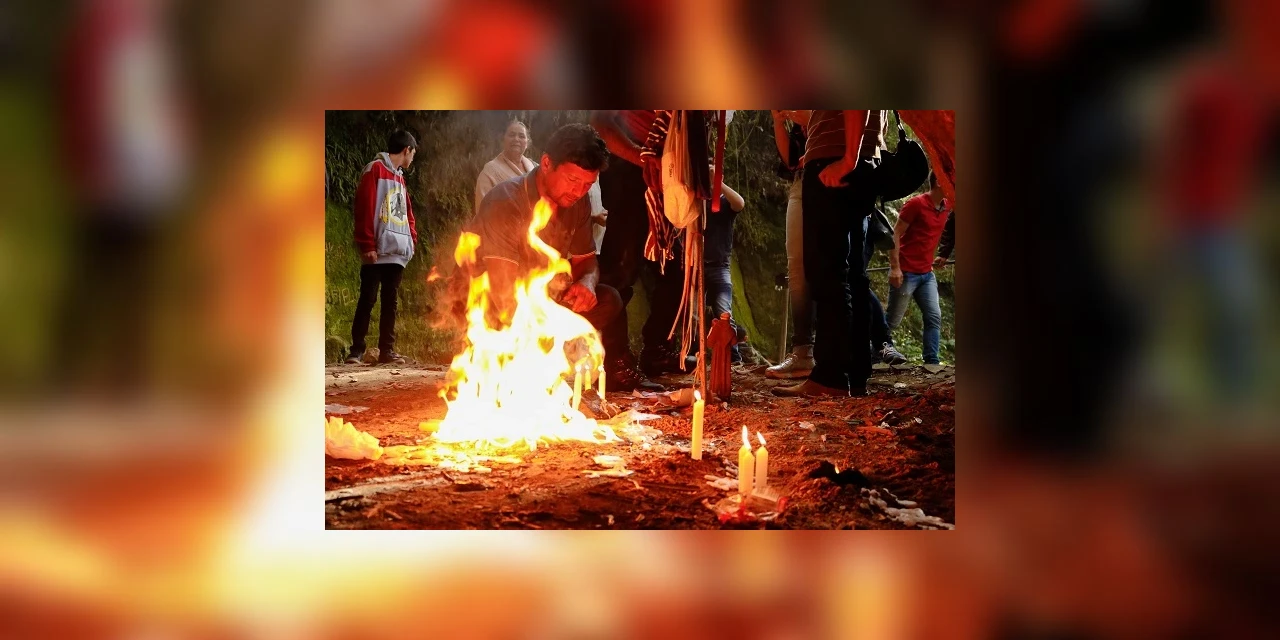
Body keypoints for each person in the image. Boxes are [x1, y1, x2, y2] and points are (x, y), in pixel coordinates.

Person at [464, 123, 660, 391]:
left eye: (587, 184)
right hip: (494, 304)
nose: (579, 191)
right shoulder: (506, 202)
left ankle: (612, 367)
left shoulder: (577, 204)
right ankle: (507, 370)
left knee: (608, 299)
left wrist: (587, 284)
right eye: (572, 180)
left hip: (544, 303)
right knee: (502, 317)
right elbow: (504, 293)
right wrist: (546, 323)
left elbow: (587, 262)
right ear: (546, 163)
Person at [773, 110, 885, 397]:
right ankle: (855, 374)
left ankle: (830, 376)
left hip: (835, 158)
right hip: (860, 157)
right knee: (852, 273)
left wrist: (848, 158)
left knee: (827, 269)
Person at [589, 110, 696, 377]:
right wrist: (642, 157)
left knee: (676, 268)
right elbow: (600, 122)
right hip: (630, 169)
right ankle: (616, 363)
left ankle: (657, 349)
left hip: (667, 174)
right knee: (621, 268)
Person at [346, 130, 419, 366]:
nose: (412, 159)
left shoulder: (400, 178)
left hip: (397, 252)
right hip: (376, 249)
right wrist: (367, 243)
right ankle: (356, 351)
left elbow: (407, 213)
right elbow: (365, 207)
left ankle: (387, 350)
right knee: (367, 298)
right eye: (413, 154)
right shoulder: (375, 169)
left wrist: (412, 240)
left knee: (391, 302)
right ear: (407, 150)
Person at [766, 110, 817, 379]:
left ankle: (838, 351)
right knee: (796, 268)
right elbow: (789, 159)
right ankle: (802, 353)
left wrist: (799, 116)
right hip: (801, 181)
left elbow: (828, 125)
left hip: (834, 177)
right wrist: (778, 119)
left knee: (831, 267)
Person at [886, 173, 952, 369]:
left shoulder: (947, 205)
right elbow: (894, 234)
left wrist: (942, 255)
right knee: (892, 321)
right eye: (949, 179)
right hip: (906, 272)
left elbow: (944, 231)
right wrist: (895, 267)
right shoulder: (916, 204)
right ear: (939, 181)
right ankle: (874, 357)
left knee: (934, 317)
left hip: (926, 273)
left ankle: (931, 362)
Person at [704, 178, 746, 363]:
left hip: (719, 265)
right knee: (690, 314)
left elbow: (740, 203)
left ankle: (733, 359)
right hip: (693, 265)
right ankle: (693, 357)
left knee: (724, 313)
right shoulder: (692, 201)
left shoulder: (724, 201)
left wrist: (717, 182)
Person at [474, 120, 538, 214]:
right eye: (511, 135)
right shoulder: (490, 172)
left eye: (521, 136)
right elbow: (482, 211)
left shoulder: (535, 167)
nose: (516, 139)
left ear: (527, 142)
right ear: (503, 139)